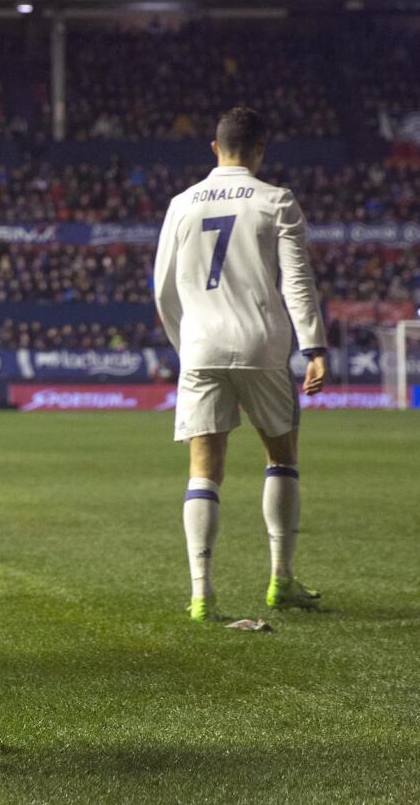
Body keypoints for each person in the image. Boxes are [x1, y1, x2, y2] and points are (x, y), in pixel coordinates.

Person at [153, 105, 328, 622]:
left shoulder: (181, 204)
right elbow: (297, 281)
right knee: (281, 457)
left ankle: (201, 592)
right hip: (262, 345)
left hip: (201, 345)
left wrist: (188, 346)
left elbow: (163, 288)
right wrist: (313, 346)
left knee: (204, 471)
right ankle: (281, 578)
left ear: (215, 147)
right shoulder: (276, 200)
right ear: (260, 149)